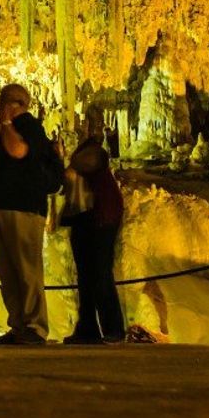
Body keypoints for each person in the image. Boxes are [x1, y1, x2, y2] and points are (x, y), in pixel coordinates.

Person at [0, 83, 61, 344]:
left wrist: (6, 124)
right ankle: (18, 326)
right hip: (4, 207)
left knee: (26, 271)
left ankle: (35, 327)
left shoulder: (28, 126)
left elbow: (18, 152)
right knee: (8, 272)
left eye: (5, 102)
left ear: (16, 104)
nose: (1, 107)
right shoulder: (14, 128)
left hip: (23, 208)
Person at [61, 133, 126, 344]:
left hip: (99, 218)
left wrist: (67, 162)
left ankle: (113, 329)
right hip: (84, 217)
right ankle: (87, 327)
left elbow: (88, 163)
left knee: (99, 273)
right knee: (85, 276)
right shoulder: (88, 156)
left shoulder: (95, 155)